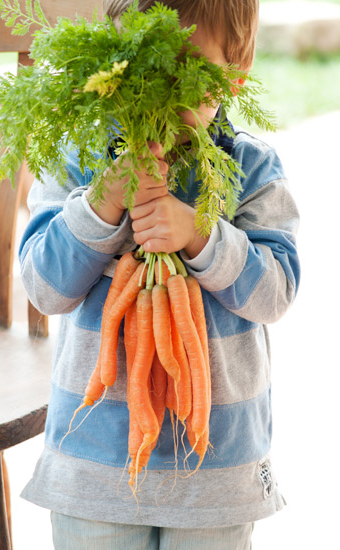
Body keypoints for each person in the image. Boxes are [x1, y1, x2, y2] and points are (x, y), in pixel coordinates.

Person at [19, 1, 300, 548]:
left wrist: (200, 232)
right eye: (144, 70)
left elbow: (276, 293)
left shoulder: (253, 167)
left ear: (234, 75)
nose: (162, 94)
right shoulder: (79, 159)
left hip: (217, 468)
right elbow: (44, 288)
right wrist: (103, 203)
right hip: (93, 467)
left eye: (187, 71)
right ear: (112, 68)